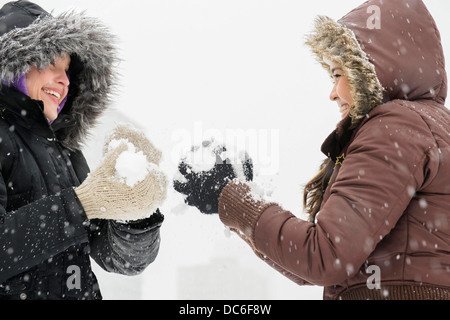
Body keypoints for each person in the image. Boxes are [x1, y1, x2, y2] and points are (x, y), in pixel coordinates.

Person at [174, 0, 450, 300]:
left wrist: (232, 196)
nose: (332, 93)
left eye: (337, 75)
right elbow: (317, 264)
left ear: (373, 69)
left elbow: (325, 256)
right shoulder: (430, 127)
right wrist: (235, 200)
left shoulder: (395, 127)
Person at [0, 1, 167, 300]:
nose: (64, 80)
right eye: (52, 64)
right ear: (14, 68)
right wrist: (81, 204)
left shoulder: (65, 151)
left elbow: (120, 260)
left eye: (67, 69)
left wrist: (136, 211)